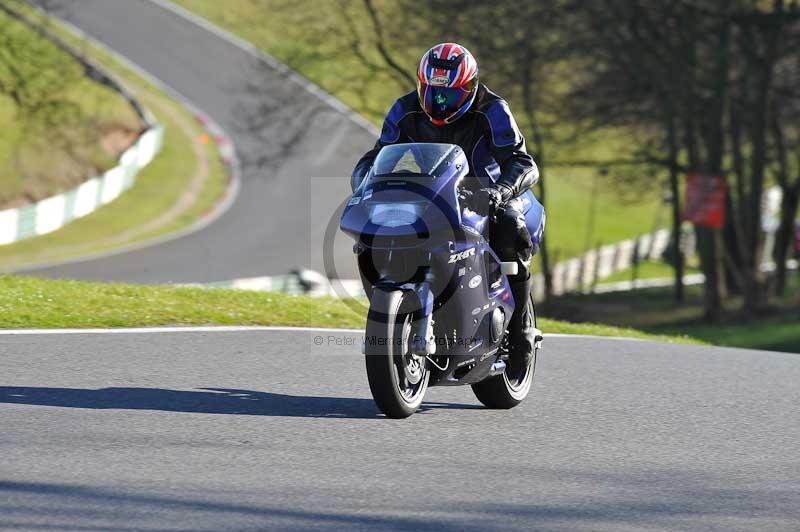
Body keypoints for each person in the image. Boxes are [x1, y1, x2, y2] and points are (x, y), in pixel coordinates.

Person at [351, 42, 540, 369]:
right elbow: (379, 154)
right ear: (422, 85)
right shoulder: (405, 109)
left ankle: (520, 326)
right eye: (433, 92)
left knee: (511, 229)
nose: (439, 103)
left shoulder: (493, 109)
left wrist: (499, 191)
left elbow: (523, 162)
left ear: (470, 87)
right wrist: (364, 182)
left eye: (449, 95)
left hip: (483, 193)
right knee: (375, 235)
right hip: (428, 194)